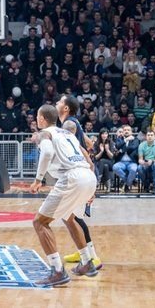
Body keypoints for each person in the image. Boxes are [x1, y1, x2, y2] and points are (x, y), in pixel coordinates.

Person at [29, 104, 98, 287]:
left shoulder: (45, 134)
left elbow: (47, 153)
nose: (36, 119)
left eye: (37, 116)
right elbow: (87, 156)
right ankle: (87, 262)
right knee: (69, 218)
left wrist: (38, 180)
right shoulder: (67, 133)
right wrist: (90, 184)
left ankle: (57, 270)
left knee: (40, 222)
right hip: (87, 175)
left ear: (42, 118)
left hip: (72, 178)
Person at [55, 95, 102, 270]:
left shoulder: (69, 124)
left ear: (66, 108)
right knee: (71, 215)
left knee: (73, 217)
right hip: (83, 173)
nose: (57, 103)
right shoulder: (73, 123)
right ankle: (81, 250)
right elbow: (88, 143)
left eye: (60, 102)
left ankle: (92, 256)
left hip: (80, 175)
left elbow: (82, 148)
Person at [112, 125, 140, 193]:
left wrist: (122, 150)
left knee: (133, 169)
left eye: (128, 130)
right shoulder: (119, 139)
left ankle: (126, 184)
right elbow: (117, 146)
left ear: (131, 132)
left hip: (132, 162)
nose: (126, 131)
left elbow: (133, 148)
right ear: (123, 132)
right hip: (121, 162)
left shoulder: (135, 139)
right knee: (115, 167)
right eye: (125, 130)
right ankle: (129, 181)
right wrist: (125, 140)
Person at [137, 129, 155, 195]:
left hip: (154, 161)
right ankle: (146, 184)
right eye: (148, 135)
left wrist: (152, 161)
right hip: (145, 161)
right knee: (139, 168)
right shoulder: (141, 145)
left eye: (151, 135)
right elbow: (140, 159)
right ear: (146, 136)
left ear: (154, 137)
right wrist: (142, 162)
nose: (150, 137)